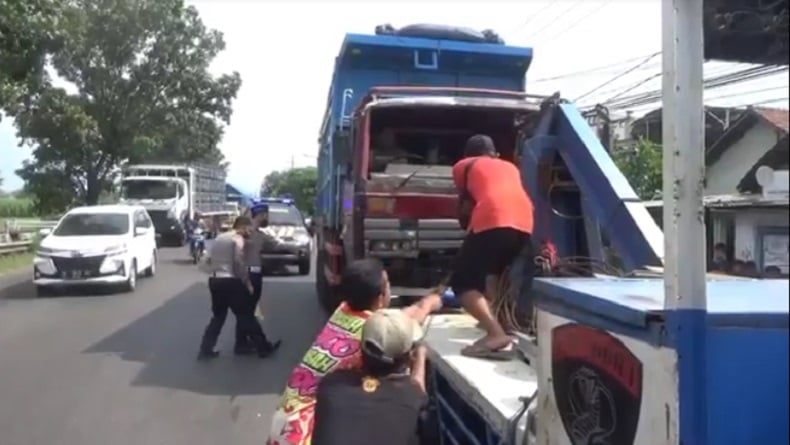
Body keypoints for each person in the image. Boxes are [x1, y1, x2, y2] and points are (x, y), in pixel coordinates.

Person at [266, 258, 442, 445]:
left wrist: (427, 303)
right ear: (381, 298)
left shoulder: (342, 311)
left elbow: (403, 317)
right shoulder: (371, 332)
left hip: (284, 424)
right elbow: (402, 326)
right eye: (388, 285)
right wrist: (428, 304)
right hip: (304, 433)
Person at [451, 134, 535, 360]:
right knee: (493, 273)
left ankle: (495, 334)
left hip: (493, 218)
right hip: (525, 223)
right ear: (495, 154)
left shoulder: (463, 166)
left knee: (462, 282)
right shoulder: (510, 167)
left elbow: (466, 205)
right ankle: (502, 326)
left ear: (468, 155)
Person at [312, 309, 429, 445]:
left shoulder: (330, 385)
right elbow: (417, 393)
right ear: (409, 356)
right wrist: (421, 357)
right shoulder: (413, 396)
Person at [197, 215, 280, 360]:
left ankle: (206, 349)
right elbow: (239, 262)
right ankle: (263, 348)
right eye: (248, 229)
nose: (249, 232)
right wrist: (247, 282)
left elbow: (206, 259)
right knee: (246, 315)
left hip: (214, 280)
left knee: (218, 317)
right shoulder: (237, 239)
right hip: (230, 281)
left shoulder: (220, 238)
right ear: (242, 226)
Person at [235, 203, 274, 354]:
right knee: (248, 312)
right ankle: (261, 344)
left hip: (253, 273)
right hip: (249, 274)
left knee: (246, 310)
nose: (268, 218)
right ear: (261, 215)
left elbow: (273, 244)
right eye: (266, 215)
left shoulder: (258, 233)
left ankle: (241, 343)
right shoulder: (247, 233)